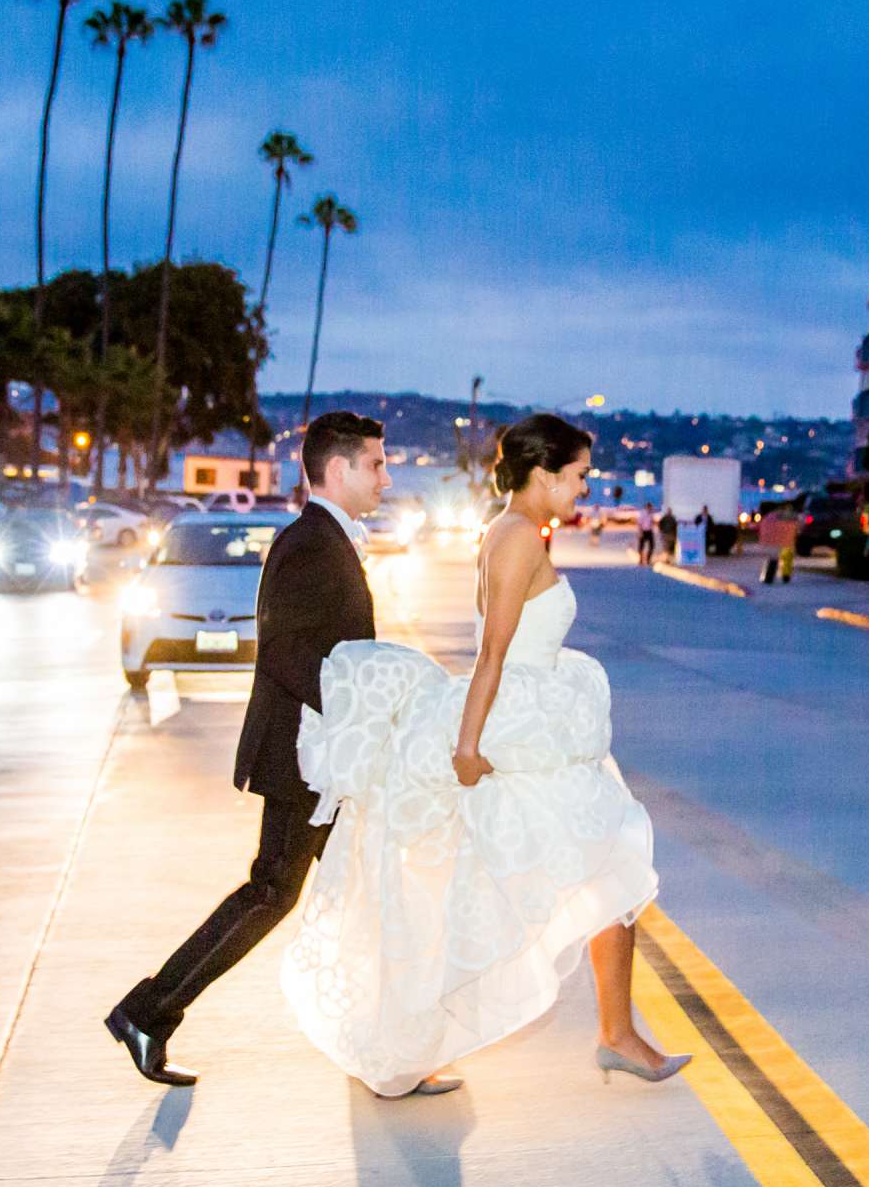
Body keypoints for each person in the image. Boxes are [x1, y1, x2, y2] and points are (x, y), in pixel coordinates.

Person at [280, 414, 687, 1096]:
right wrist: (467, 747)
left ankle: (617, 1034)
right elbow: (493, 653)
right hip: (514, 727)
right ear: (545, 473)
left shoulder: (514, 529)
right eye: (581, 476)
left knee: (601, 864)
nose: (586, 488)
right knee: (516, 884)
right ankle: (429, 1042)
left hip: (537, 722)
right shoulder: (517, 537)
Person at [105, 411, 388, 1087]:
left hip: (320, 750)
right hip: (305, 756)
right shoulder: (312, 543)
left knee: (361, 887)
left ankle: (383, 1046)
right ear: (340, 469)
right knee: (275, 892)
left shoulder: (324, 538)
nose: (386, 476)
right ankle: (149, 1010)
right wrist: (366, 707)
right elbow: (290, 653)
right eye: (377, 463)